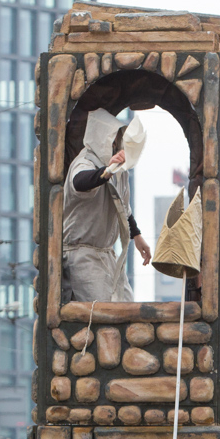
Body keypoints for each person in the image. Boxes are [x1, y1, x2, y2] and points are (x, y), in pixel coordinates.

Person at [60, 109, 148, 303]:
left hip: (106, 254)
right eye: (113, 140)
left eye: (118, 140)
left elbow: (123, 207)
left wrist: (137, 236)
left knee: (126, 305)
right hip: (82, 256)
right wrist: (105, 172)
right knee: (102, 310)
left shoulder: (118, 169)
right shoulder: (85, 162)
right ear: (102, 139)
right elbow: (80, 182)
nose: (116, 145)